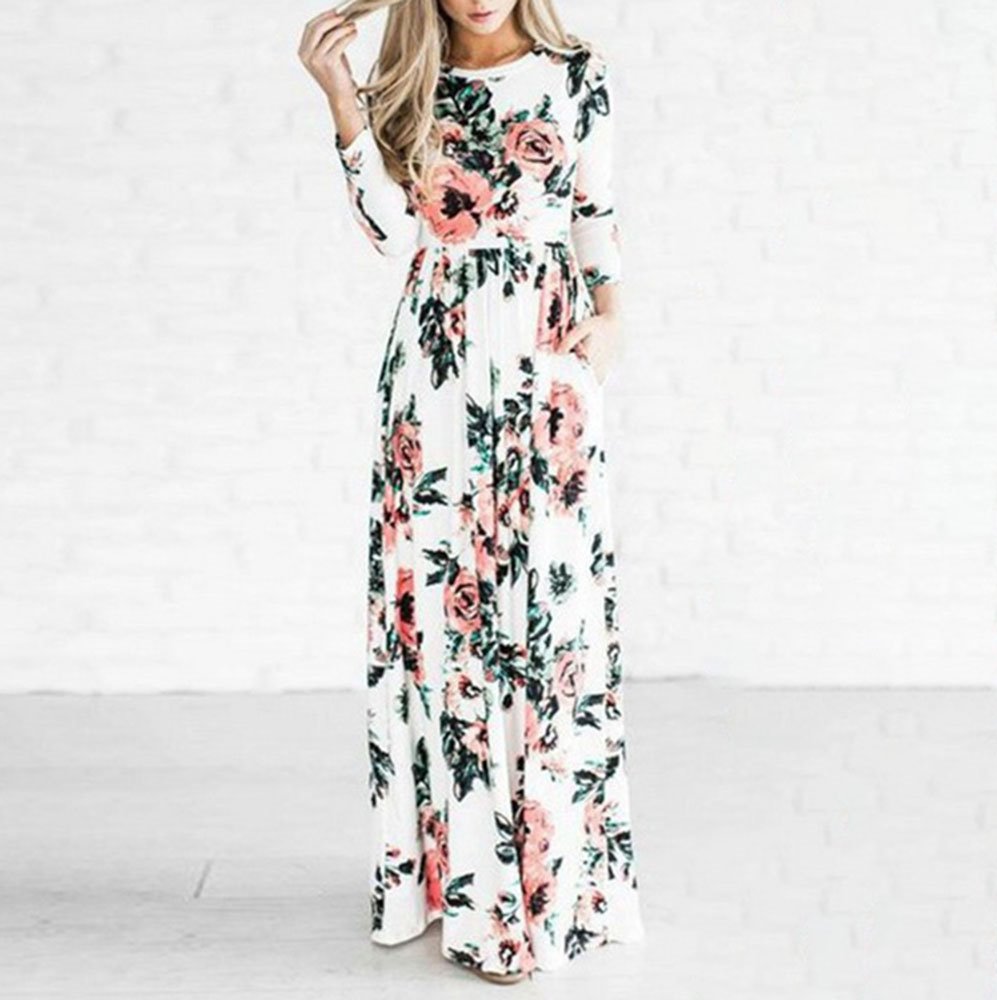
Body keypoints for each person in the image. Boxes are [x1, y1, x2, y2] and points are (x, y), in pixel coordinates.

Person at [299, 0, 644, 984]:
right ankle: (464, 890)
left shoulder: (575, 73)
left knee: (547, 623)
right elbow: (385, 227)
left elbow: (594, 215)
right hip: (437, 371)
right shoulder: (411, 82)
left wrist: (612, 319)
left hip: (545, 359)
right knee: (448, 623)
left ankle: (546, 893)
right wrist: (338, 94)